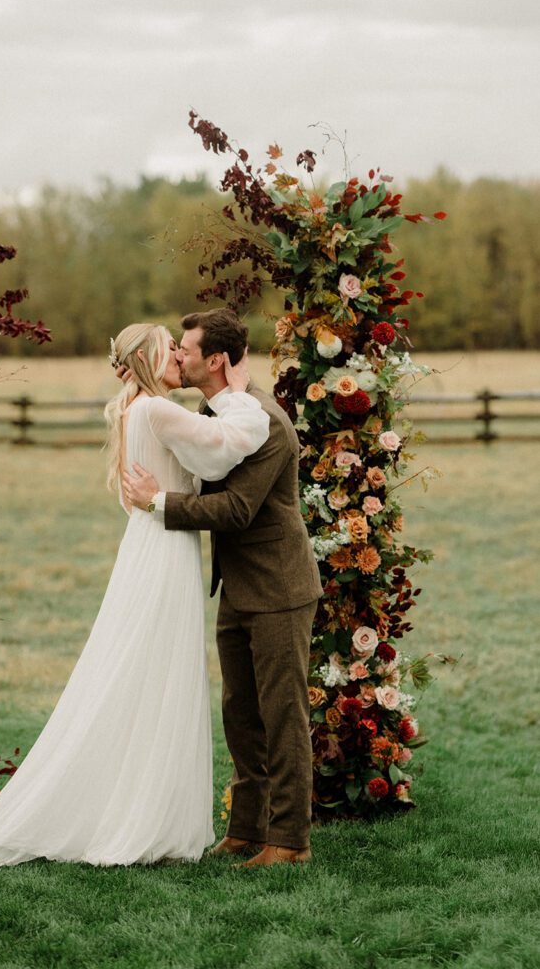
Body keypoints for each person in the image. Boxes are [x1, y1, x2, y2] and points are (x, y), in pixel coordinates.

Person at [0, 323, 269, 867]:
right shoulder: (154, 409)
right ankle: (143, 820)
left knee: (149, 671)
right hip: (164, 550)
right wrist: (238, 391)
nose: (177, 356)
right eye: (169, 347)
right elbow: (228, 447)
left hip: (152, 542)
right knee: (157, 672)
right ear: (148, 357)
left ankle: (140, 808)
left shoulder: (134, 410)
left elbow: (184, 470)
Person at [124, 308, 323, 867]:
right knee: (240, 713)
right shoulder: (218, 411)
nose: (179, 357)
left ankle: (289, 842)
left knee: (282, 714)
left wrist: (157, 504)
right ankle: (244, 827)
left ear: (215, 360)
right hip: (237, 586)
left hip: (280, 587)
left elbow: (235, 509)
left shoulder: (268, 424)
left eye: (185, 350)